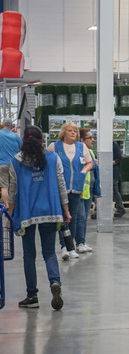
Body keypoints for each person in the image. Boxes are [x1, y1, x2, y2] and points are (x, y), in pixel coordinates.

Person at [8, 126, 71, 310]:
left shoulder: (16, 162)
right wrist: (66, 210)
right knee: (49, 252)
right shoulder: (53, 159)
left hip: (27, 213)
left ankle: (32, 296)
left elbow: (13, 191)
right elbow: (61, 185)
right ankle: (54, 281)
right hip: (51, 210)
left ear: (23, 141)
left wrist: (10, 214)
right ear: (42, 140)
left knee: (29, 256)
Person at [47, 122, 93, 260]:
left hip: (76, 188)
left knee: (72, 217)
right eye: (70, 130)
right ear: (63, 132)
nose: (73, 133)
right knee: (61, 217)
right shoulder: (54, 146)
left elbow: (89, 162)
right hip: (59, 188)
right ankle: (63, 246)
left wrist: (83, 172)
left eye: (75, 131)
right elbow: (46, 163)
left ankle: (70, 246)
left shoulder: (81, 146)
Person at [76, 128, 100, 254]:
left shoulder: (90, 151)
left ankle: (82, 241)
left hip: (89, 189)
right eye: (90, 138)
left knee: (84, 218)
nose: (92, 140)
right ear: (82, 140)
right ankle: (79, 242)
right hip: (80, 189)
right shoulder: (78, 152)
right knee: (80, 217)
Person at [0, 117, 21, 205]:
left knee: (4, 187)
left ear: (3, 125)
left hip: (2, 164)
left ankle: (7, 206)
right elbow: (22, 148)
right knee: (14, 186)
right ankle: (14, 205)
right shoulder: (15, 136)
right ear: (11, 126)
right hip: (14, 164)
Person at [112, 141, 126, 217]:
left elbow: (119, 158)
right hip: (106, 170)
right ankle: (120, 208)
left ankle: (120, 208)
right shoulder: (102, 144)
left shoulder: (113, 144)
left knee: (114, 190)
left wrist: (112, 162)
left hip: (113, 171)